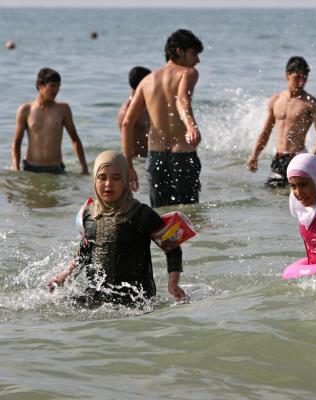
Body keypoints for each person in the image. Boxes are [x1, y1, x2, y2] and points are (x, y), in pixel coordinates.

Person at [47, 151, 186, 306]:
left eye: (116, 178)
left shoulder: (140, 213)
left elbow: (172, 246)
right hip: (97, 298)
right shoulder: (89, 214)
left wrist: (173, 284)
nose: (108, 184)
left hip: (135, 302)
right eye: (102, 177)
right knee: (54, 303)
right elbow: (85, 251)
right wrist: (65, 274)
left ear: (125, 180)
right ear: (94, 179)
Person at [121, 29, 203, 207]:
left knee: (161, 216)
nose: (197, 60)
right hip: (183, 155)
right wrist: (191, 126)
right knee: (189, 216)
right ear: (179, 51)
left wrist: (128, 165)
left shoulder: (147, 80)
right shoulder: (188, 73)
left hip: (155, 157)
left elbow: (127, 123)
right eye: (194, 53)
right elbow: (181, 99)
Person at [246, 56, 316, 188]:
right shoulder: (276, 100)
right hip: (279, 159)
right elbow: (266, 132)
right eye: (298, 77)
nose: (301, 82)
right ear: (287, 75)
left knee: (297, 198)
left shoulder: (311, 103)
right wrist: (254, 155)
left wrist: (312, 159)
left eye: (304, 78)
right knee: (272, 196)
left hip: (299, 158)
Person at [11, 68, 89, 175]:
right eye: (52, 85)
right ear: (40, 85)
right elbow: (17, 143)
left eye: (58, 86)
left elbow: (75, 139)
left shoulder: (63, 109)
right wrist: (16, 169)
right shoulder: (25, 110)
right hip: (31, 168)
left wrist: (84, 168)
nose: (56, 90)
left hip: (56, 169)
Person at [118, 66, 151, 158]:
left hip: (148, 158)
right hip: (136, 161)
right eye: (150, 83)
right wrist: (129, 165)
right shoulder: (128, 110)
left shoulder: (145, 106)